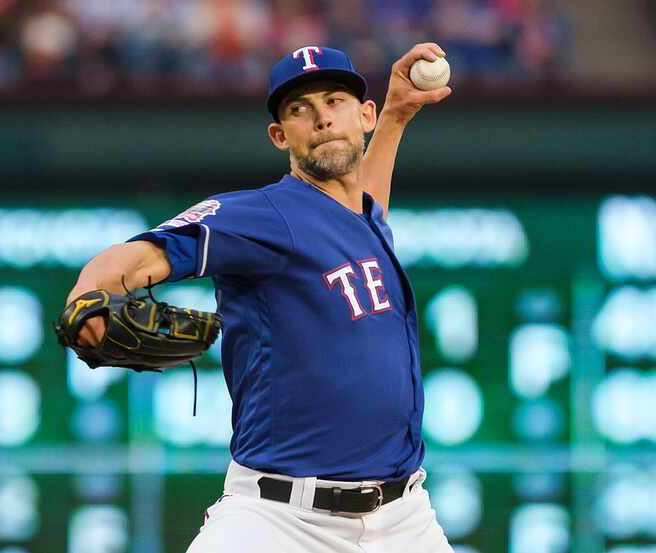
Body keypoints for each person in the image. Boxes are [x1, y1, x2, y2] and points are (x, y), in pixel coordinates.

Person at [66, 44, 453, 553]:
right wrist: (88, 294)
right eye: (299, 109)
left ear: (365, 115)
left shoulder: (363, 219)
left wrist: (399, 118)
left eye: (335, 101)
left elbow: (366, 208)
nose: (321, 118)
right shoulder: (263, 216)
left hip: (405, 520)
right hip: (279, 521)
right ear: (280, 135)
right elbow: (140, 256)